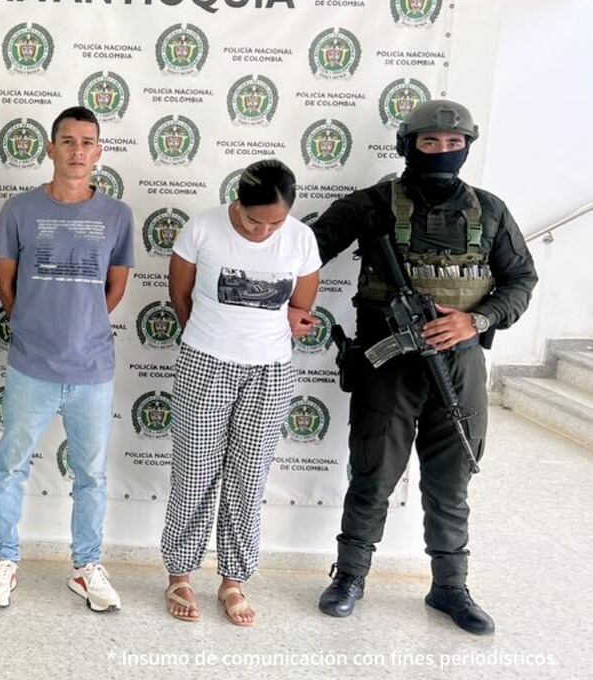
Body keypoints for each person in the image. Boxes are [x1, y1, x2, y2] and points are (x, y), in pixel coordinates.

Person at [312, 100, 536, 635]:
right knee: (373, 474)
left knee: (451, 478)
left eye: (453, 143)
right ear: (408, 145)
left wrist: (476, 321)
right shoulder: (373, 205)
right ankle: (350, 576)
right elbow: (306, 250)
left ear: (467, 147)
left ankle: (450, 587)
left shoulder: (490, 210)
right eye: (429, 142)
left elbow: (520, 281)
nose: (441, 151)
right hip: (389, 363)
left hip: (459, 366)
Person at [0, 106, 135, 611]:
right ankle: (4, 561)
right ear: (49, 148)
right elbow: (6, 283)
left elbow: (114, 289)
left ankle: (87, 567)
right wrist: (36, 326)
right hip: (32, 366)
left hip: (92, 369)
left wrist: (80, 324)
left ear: (99, 152)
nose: (77, 151)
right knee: (12, 466)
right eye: (67, 141)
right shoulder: (20, 210)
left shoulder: (117, 215)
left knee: (90, 475)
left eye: (87, 142)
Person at [160, 159, 321, 626]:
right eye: (254, 220)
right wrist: (215, 336)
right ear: (237, 200)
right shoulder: (202, 227)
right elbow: (181, 296)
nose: (263, 231)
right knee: (194, 475)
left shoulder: (300, 238)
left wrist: (295, 318)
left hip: (270, 371)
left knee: (248, 480)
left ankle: (234, 579)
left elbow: (303, 299)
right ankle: (180, 573)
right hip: (205, 363)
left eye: (275, 222)